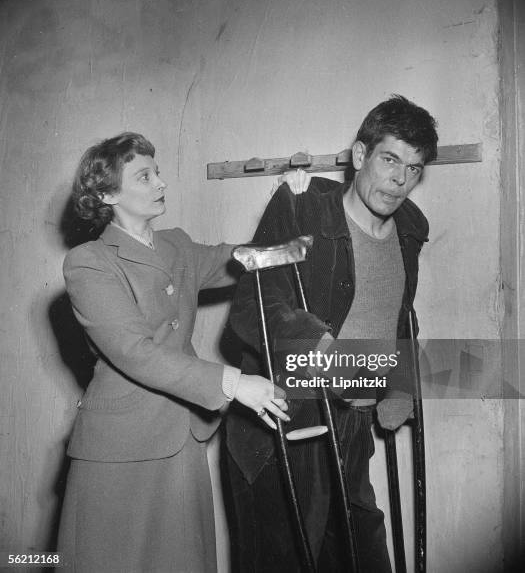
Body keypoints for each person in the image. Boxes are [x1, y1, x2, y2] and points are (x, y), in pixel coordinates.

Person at [57, 132, 304, 572]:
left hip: (182, 436)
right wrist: (233, 383)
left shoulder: (176, 245)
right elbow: (135, 351)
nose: (160, 184)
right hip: (120, 448)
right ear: (108, 193)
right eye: (144, 176)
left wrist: (295, 241)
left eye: (158, 173)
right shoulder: (89, 262)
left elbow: (236, 258)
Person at [224, 95, 438, 572]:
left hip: (353, 427)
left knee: (364, 557)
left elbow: (400, 313)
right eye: (389, 159)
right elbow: (254, 305)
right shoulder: (302, 212)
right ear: (360, 156)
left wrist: (401, 379)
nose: (400, 179)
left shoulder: (410, 228)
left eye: (414, 168)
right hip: (287, 423)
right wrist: (318, 347)